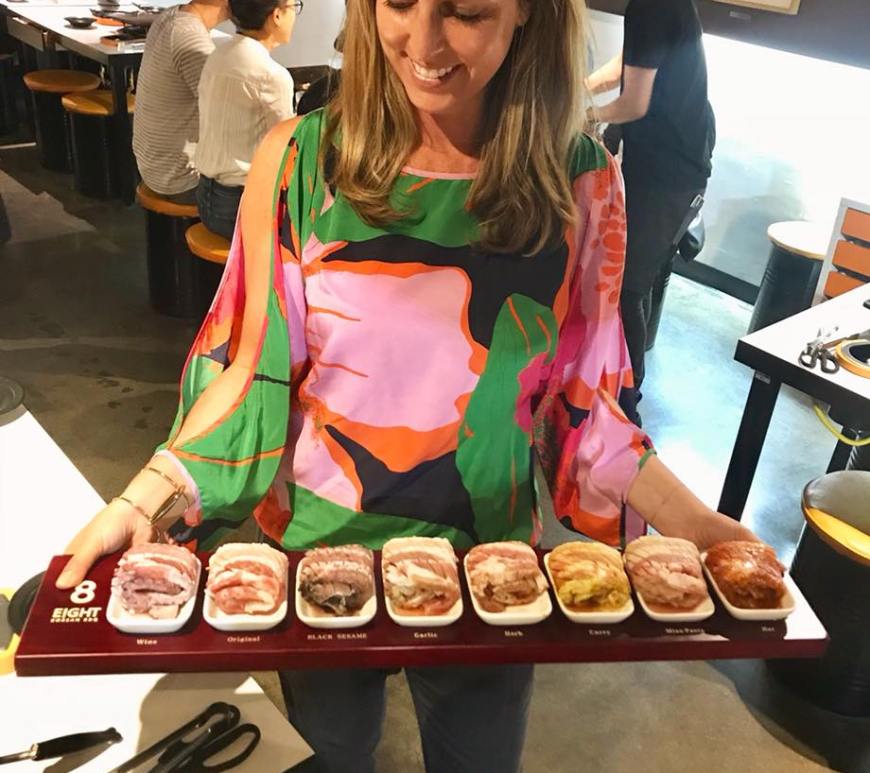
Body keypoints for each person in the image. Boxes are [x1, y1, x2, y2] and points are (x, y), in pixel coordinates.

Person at [59, 1, 752, 771]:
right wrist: (143, 501)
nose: (423, 42)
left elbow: (586, 411)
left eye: (464, 11)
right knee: (329, 760)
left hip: (490, 571)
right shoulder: (300, 161)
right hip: (317, 559)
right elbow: (251, 373)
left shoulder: (581, 183)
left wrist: (696, 523)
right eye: (396, 3)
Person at [587, 0, 716, 425]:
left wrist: (585, 114)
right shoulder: (656, 6)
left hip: (670, 176)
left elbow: (633, 104)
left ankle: (628, 402)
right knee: (618, 277)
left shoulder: (651, 6)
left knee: (627, 286)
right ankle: (606, 380)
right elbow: (632, 61)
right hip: (666, 163)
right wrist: (584, 87)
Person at [195, 0, 298, 239]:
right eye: (295, 6)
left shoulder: (218, 54)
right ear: (277, 15)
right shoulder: (271, 74)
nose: (295, 16)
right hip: (237, 208)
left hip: (206, 197)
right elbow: (286, 150)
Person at [132, 0, 230, 204]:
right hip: (181, 179)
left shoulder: (170, 17)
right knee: (274, 191)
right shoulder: (190, 38)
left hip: (153, 166)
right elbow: (228, 119)